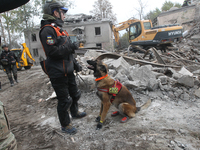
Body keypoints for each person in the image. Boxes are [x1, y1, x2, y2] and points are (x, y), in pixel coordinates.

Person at [39, 0, 86, 135]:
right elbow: (52, 52)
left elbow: (67, 52)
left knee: (75, 94)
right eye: (62, 12)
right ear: (55, 13)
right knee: (64, 100)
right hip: (57, 72)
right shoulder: (47, 30)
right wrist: (70, 46)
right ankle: (65, 125)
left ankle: (75, 112)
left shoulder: (59, 29)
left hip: (68, 69)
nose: (64, 15)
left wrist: (75, 63)